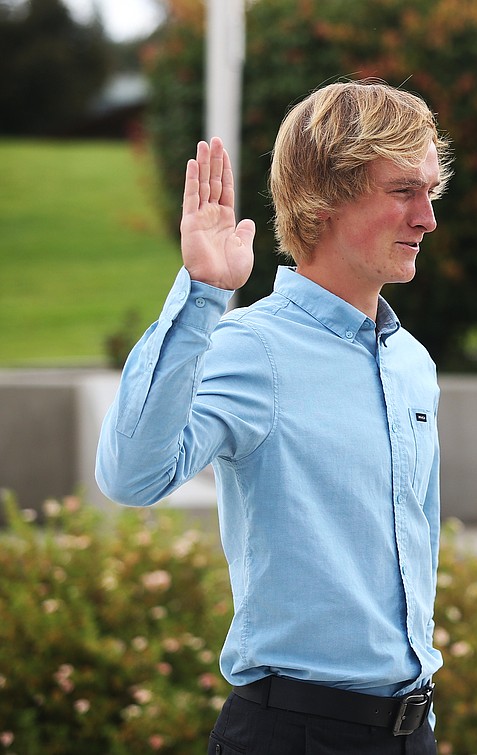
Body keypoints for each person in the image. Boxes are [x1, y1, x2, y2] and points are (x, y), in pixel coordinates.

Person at [96, 79, 453, 755]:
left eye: (429, 192)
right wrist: (202, 294)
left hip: (410, 734)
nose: (427, 217)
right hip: (292, 736)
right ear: (326, 198)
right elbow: (130, 476)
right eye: (403, 190)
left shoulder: (413, 362)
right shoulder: (252, 348)